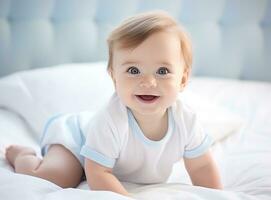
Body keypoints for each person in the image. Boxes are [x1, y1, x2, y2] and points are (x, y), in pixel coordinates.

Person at [5, 11, 223, 196]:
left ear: (183, 79)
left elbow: (202, 165)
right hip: (78, 142)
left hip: (104, 156)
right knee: (56, 177)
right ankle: (23, 155)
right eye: (133, 70)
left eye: (163, 71)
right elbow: (98, 172)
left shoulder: (186, 120)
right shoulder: (111, 120)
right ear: (114, 77)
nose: (148, 82)